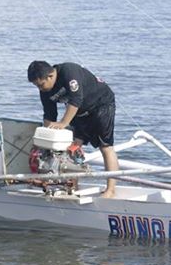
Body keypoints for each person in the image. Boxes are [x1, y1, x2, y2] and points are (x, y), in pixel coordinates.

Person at [27, 60, 119, 198]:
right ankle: (72, 185)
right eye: (36, 86)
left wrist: (64, 123)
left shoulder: (69, 72)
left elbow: (76, 99)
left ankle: (110, 190)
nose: (40, 89)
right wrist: (44, 141)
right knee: (73, 147)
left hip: (101, 105)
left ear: (50, 76)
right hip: (78, 112)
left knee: (105, 147)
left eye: (41, 85)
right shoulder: (45, 91)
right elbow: (49, 115)